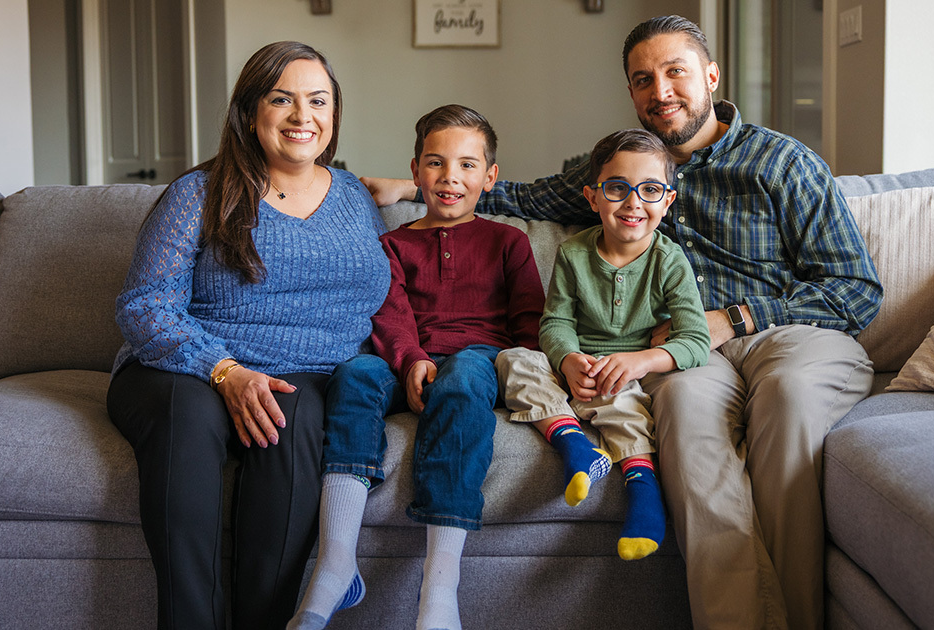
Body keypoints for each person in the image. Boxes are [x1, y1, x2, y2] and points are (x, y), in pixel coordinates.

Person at [364, 16, 882, 630]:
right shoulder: (618, 168)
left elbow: (855, 289)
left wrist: (734, 318)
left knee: (789, 404)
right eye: (643, 79)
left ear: (711, 76)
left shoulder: (782, 163)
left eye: (675, 72)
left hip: (786, 336)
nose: (660, 90)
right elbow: (517, 196)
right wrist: (414, 189)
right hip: (689, 356)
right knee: (687, 428)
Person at [107, 42, 392, 629]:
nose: (301, 116)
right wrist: (226, 371)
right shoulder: (200, 193)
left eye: (318, 101)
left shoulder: (356, 197)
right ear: (249, 110)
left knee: (295, 420)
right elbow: (144, 306)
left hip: (307, 378)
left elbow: (378, 301)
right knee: (190, 417)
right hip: (185, 370)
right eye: (281, 99)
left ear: (334, 114)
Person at [288, 104, 544, 630]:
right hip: (406, 360)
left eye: (468, 165)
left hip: (478, 360)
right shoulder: (392, 244)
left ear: (490, 176)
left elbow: (528, 325)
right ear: (414, 170)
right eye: (436, 163)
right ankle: (336, 566)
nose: (451, 177)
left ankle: (439, 587)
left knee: (464, 379)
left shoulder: (508, 242)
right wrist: (410, 362)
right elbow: (391, 314)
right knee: (354, 375)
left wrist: (525, 378)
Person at [495, 128, 710, 562]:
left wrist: (639, 362)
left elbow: (696, 341)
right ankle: (575, 445)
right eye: (617, 188)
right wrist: (568, 357)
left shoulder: (670, 261)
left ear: (667, 201)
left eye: (650, 190)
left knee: (628, 409)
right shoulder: (573, 252)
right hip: (573, 364)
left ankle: (644, 491)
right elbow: (555, 322)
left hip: (624, 374)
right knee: (512, 360)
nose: (634, 203)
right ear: (593, 198)